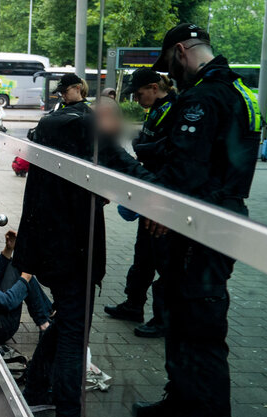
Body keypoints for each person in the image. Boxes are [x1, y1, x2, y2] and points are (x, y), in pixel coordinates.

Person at [134, 23, 261, 417]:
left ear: (181, 51)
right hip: (222, 214)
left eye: (170, 64)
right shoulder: (241, 92)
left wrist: (162, 208)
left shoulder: (204, 98)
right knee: (187, 317)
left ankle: (202, 408)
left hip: (198, 225)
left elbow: (186, 166)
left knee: (198, 327)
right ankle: (182, 400)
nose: (170, 74)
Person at [14, 90, 155, 416]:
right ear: (105, 116)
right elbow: (125, 165)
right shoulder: (88, 130)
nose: (115, 134)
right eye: (115, 125)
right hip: (74, 250)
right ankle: (67, 408)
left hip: (44, 245)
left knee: (67, 319)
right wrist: (169, 200)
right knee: (74, 337)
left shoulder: (53, 122)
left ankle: (36, 385)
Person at [104, 68, 177, 339]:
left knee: (163, 261)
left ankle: (162, 318)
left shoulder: (174, 109)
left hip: (162, 194)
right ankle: (133, 304)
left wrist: (143, 146)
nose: (136, 99)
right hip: (150, 191)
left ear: (154, 87)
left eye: (138, 93)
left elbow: (166, 149)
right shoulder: (157, 110)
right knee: (143, 255)